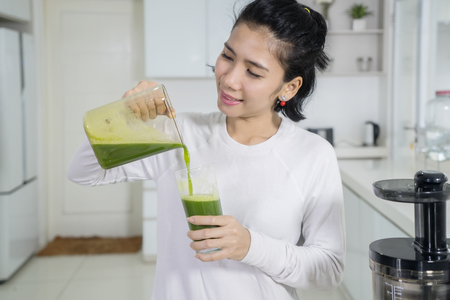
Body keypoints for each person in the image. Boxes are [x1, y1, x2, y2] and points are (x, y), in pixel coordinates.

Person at [67, 0, 345, 299]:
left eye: (253, 72)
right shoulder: (180, 134)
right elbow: (84, 173)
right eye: (228, 56)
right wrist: (123, 115)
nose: (229, 79)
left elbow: (328, 270)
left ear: (289, 88)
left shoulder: (313, 154)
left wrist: (250, 245)